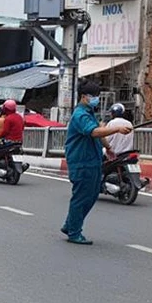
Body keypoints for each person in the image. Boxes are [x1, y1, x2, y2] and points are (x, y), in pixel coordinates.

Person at [62, 81, 133, 245]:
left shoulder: (89, 113)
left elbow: (99, 133)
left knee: (92, 195)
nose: (96, 99)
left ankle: (70, 224)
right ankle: (74, 232)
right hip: (81, 161)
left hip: (92, 160)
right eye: (93, 96)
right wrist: (116, 130)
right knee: (81, 197)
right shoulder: (80, 115)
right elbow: (93, 131)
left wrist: (108, 147)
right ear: (84, 97)